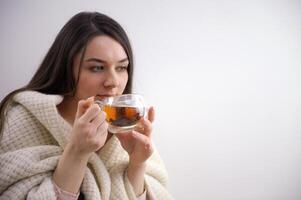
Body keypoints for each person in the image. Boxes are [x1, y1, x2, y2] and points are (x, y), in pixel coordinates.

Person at [0, 11, 173, 200]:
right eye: (97, 68)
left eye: (121, 67)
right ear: (66, 68)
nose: (113, 82)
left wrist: (137, 163)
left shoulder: (129, 126)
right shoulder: (25, 118)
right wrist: (77, 152)